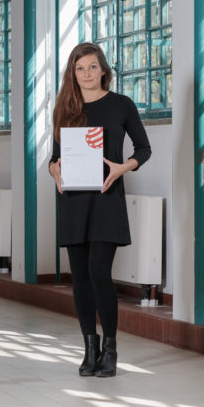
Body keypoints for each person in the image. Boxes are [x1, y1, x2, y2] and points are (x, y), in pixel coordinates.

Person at [48, 42, 151, 377]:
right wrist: (55, 170)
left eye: (93, 67)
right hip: (74, 201)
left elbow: (144, 149)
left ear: (104, 70)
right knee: (79, 278)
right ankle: (88, 348)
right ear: (72, 74)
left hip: (106, 199)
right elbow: (54, 158)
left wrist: (123, 168)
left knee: (98, 273)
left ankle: (110, 347)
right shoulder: (65, 107)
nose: (87, 74)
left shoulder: (121, 105)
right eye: (80, 69)